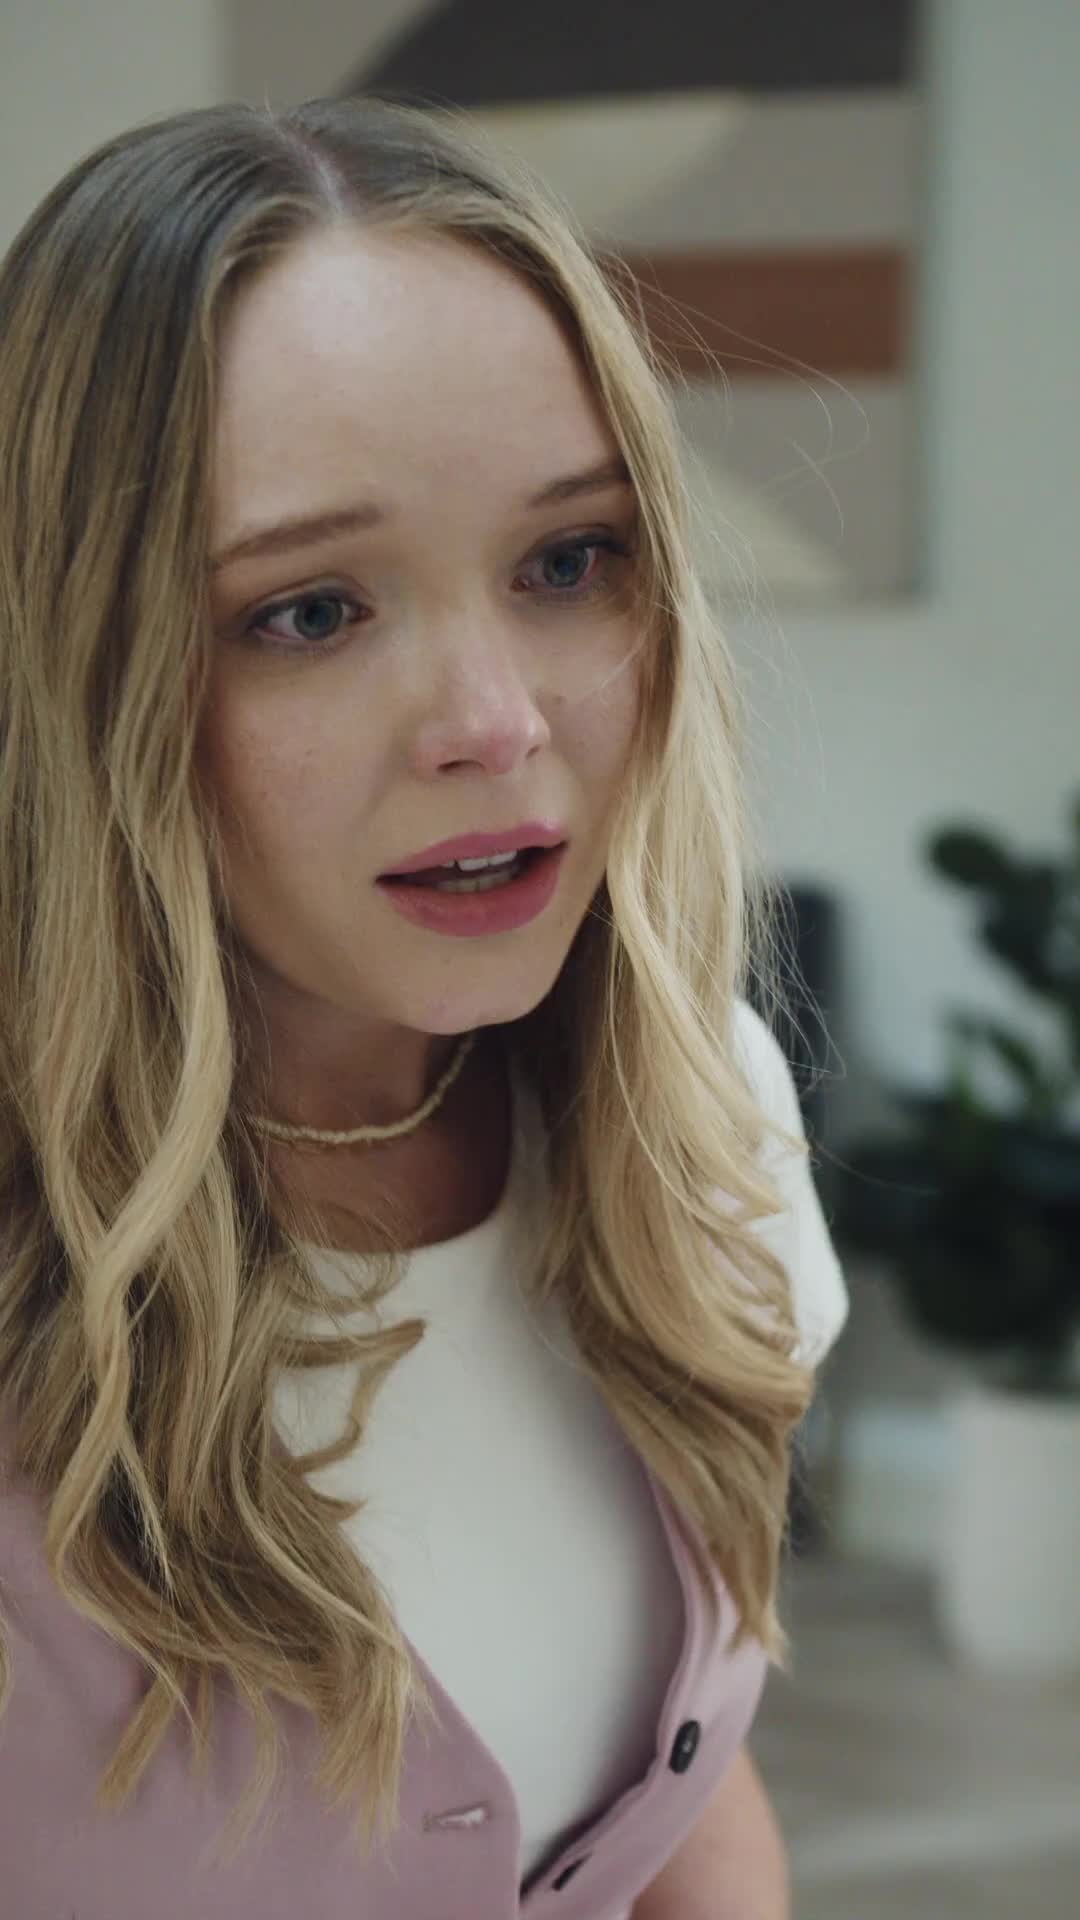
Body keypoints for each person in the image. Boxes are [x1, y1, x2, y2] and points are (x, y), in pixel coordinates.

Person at [0, 96, 848, 1919]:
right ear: (78, 676)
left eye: (568, 561)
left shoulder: (705, 1126)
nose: (496, 721)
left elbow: (680, 1791)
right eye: (310, 611)